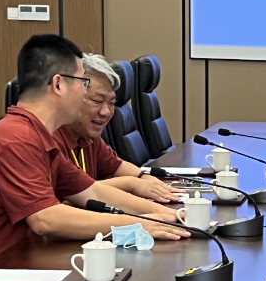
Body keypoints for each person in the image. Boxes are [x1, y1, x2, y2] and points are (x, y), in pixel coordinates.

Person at [0, 35, 188, 281]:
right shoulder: (15, 138)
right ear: (58, 84)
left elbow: (92, 192)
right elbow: (46, 219)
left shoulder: (38, 135)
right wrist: (136, 224)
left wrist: (173, 217)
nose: (84, 93)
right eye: (83, 82)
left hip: (25, 265)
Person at [53, 53, 182, 203]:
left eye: (111, 103)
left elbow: (116, 166)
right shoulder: (49, 139)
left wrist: (145, 178)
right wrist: (131, 183)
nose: (106, 112)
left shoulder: (87, 135)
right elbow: (65, 201)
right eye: (97, 100)